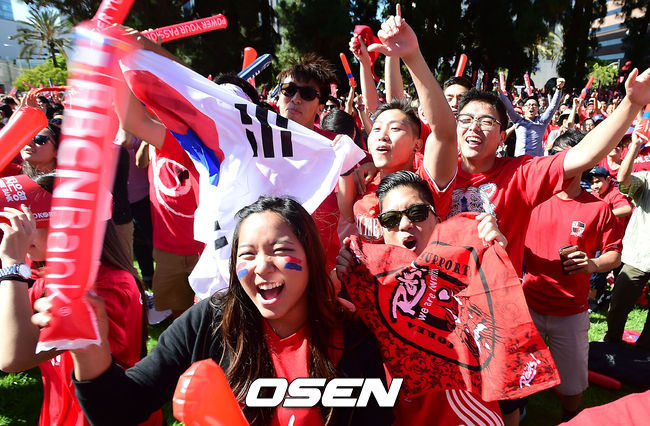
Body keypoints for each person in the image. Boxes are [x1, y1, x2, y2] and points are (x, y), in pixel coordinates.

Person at [34, 196, 392, 425]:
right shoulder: (209, 321)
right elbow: (120, 410)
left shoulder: (352, 333)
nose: (261, 266)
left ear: (311, 258)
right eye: (247, 254)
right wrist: (90, 349)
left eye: (280, 250)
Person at [336, 170, 507, 426]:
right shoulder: (369, 284)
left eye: (416, 213)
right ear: (382, 231)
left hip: (467, 415)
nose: (405, 224)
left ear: (437, 219)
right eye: (391, 219)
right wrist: (342, 277)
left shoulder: (470, 268)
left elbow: (504, 325)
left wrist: (497, 254)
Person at [0, 174, 161, 426]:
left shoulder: (103, 289)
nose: (18, 230)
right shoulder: (51, 277)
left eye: (30, 220)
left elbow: (13, 358)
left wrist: (12, 266)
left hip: (99, 416)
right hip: (62, 412)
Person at [522, 130, 622, 421]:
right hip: (527, 305)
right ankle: (519, 408)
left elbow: (614, 255)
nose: (562, 163)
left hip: (571, 310)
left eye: (569, 156)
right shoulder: (531, 200)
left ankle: (569, 418)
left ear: (585, 161)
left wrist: (591, 264)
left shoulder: (599, 208)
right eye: (556, 155)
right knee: (519, 370)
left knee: (573, 384)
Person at [604, 131, 650, 352]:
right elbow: (623, 179)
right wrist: (635, 146)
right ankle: (611, 342)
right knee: (619, 304)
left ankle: (645, 348)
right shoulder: (647, 179)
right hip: (639, 256)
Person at [497, 79, 564, 157]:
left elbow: (552, 107)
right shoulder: (517, 120)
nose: (531, 107)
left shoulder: (542, 121)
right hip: (519, 160)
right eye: (528, 105)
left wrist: (559, 89)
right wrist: (500, 91)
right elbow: (509, 108)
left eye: (534, 105)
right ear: (523, 109)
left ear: (538, 109)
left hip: (535, 161)